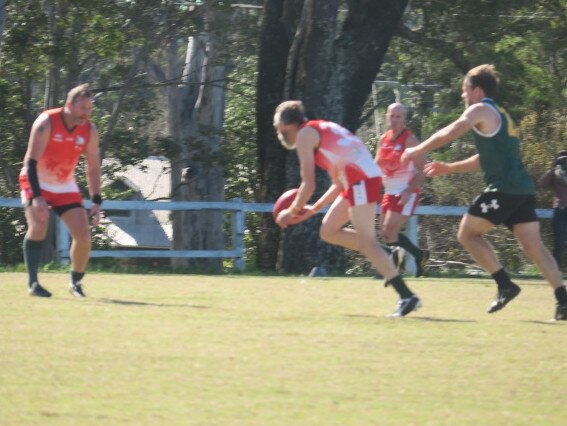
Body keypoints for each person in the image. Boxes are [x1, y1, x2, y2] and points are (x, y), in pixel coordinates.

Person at [401, 64, 567, 321]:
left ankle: (505, 284)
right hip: (522, 189)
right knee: (534, 247)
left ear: (477, 90)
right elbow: (484, 158)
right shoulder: (501, 114)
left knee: (467, 234)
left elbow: (452, 131)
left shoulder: (479, 109)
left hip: (503, 190)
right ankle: (563, 301)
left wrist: (417, 149)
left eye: (464, 89)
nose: (462, 95)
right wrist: (449, 168)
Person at [273, 100, 421, 317]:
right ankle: (387, 255)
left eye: (279, 128)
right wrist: (314, 209)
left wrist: (292, 211)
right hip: (357, 180)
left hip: (360, 181)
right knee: (328, 231)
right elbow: (338, 183)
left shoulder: (305, 135)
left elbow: (308, 184)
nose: (280, 133)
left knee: (367, 243)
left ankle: (407, 296)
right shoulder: (320, 129)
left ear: (287, 124)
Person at [19, 83, 102, 298]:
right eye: (83, 108)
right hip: (35, 179)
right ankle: (33, 283)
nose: (86, 114)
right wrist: (37, 197)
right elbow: (30, 162)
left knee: (83, 235)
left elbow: (93, 167)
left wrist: (96, 200)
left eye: (89, 109)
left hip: (64, 184)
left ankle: (75, 283)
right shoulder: (47, 122)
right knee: (38, 225)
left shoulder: (89, 130)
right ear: (69, 105)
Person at [375, 102, 428, 277]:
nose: (395, 120)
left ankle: (391, 266)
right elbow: (376, 165)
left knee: (389, 231)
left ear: (404, 120)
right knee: (386, 233)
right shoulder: (383, 139)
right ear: (386, 117)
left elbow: (423, 170)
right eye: (392, 116)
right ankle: (417, 255)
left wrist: (408, 191)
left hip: (406, 191)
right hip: (389, 191)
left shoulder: (409, 140)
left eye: (399, 117)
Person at [539, 151, 567, 268]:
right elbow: (543, 183)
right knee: (559, 242)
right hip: (560, 210)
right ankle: (556, 269)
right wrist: (553, 167)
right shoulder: (555, 174)